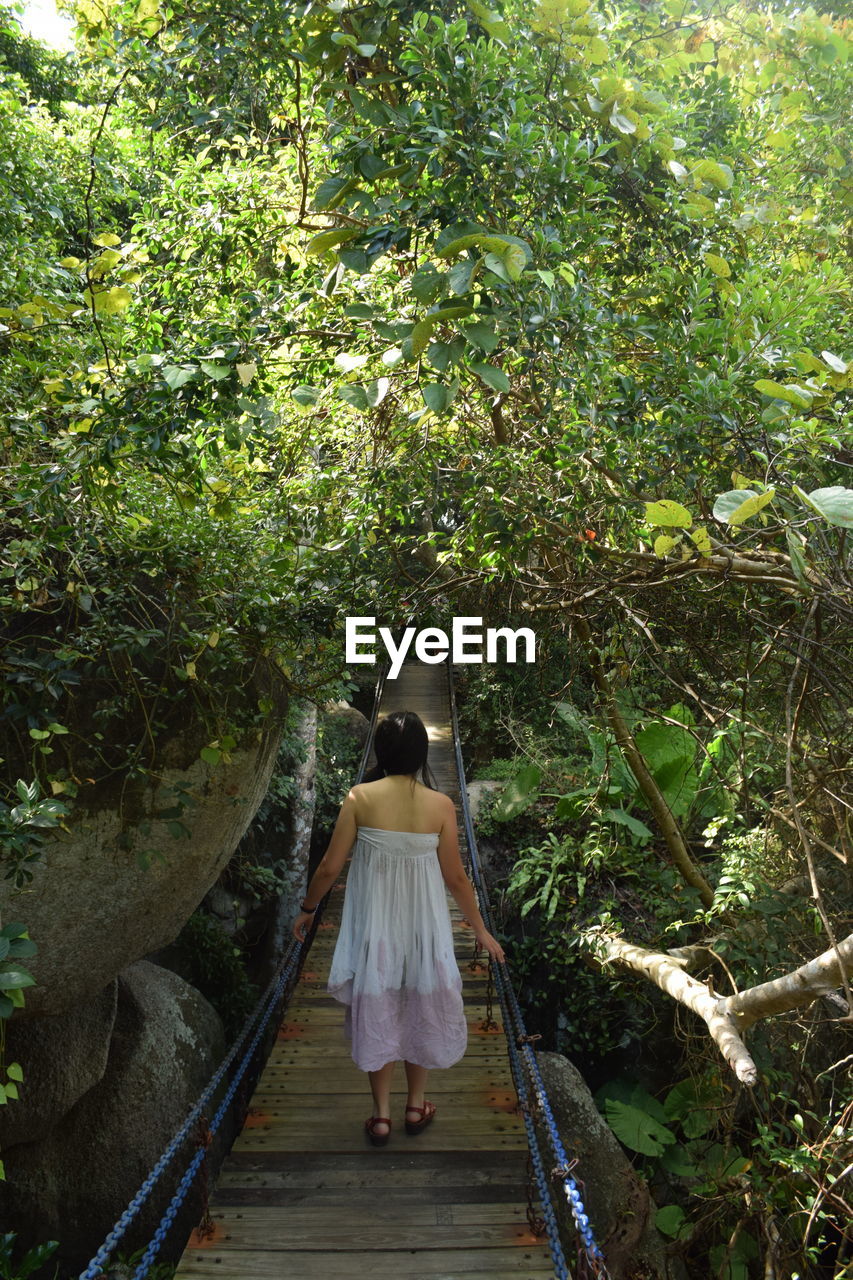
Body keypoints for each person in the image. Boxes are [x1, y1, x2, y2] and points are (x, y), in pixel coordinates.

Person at [292, 709, 505, 1146]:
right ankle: (416, 1104)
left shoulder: (359, 798)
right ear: (422, 753)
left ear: (381, 750)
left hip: (377, 929)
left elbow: (331, 867)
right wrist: (480, 929)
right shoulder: (441, 805)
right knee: (419, 1001)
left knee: (379, 1003)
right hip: (424, 930)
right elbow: (457, 878)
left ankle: (382, 1114)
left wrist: (309, 908)